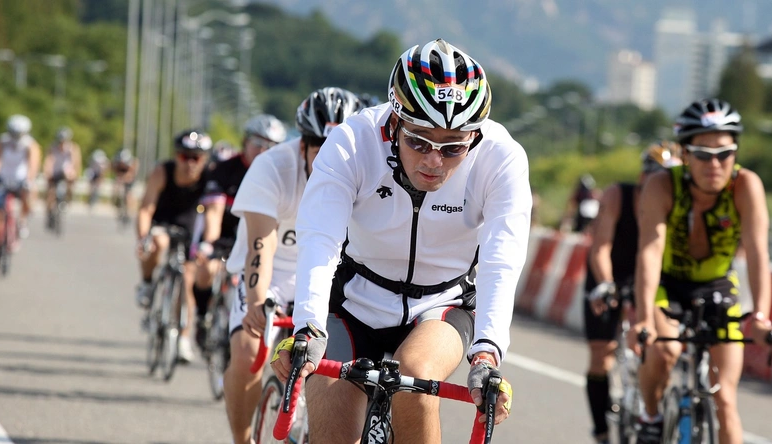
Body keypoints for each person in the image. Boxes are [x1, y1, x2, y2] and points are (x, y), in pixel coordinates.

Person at [269, 39, 529, 442]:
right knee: (333, 419)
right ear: (394, 124)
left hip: (442, 303)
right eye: (418, 141)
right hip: (355, 299)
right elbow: (320, 239)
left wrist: (487, 353)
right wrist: (308, 328)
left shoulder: (501, 157)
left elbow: (501, 260)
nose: (433, 160)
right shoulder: (353, 142)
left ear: (475, 138)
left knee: (416, 376)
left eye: (453, 148)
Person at [628, 99, 772, 444]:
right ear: (685, 154)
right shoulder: (661, 185)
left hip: (716, 286)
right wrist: (642, 319)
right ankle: (651, 416)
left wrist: (761, 317)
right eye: (703, 154)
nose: (714, 164)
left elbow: (758, 253)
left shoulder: (746, 185)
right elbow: (650, 252)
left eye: (724, 154)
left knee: (725, 399)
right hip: (667, 285)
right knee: (665, 351)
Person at [221, 92, 360, 444]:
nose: (332, 160)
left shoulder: (365, 173)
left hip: (329, 276)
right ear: (303, 146)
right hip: (275, 273)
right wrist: (256, 301)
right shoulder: (272, 167)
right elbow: (260, 244)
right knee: (248, 352)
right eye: (322, 150)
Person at [583, 142, 681, 444]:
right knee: (602, 354)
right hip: (608, 273)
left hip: (648, 279)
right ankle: (601, 430)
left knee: (660, 345)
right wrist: (606, 284)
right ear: (642, 177)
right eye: (656, 177)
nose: (662, 186)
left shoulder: (677, 203)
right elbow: (601, 247)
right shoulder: (618, 195)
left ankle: (651, 411)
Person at [191, 113, 287, 349]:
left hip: (258, 237)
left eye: (272, 146)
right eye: (258, 143)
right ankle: (202, 316)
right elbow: (214, 211)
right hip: (224, 234)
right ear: (245, 142)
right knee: (206, 269)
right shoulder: (225, 169)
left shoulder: (280, 175)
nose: (264, 151)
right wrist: (210, 243)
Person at [135, 129, 212, 363]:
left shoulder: (209, 178)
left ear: (204, 159)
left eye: (196, 158)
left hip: (190, 228)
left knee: (187, 280)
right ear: (176, 155)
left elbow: (213, 213)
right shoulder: (162, 172)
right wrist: (143, 237)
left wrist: (208, 243)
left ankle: (183, 338)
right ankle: (147, 283)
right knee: (157, 243)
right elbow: (146, 208)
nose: (190, 163)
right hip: (163, 222)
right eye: (184, 156)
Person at [0, 115, 42, 239]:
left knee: (29, 196)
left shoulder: (30, 144)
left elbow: (33, 164)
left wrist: (29, 180)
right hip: (3, 178)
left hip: (21, 178)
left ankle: (22, 221)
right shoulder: (3, 141)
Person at [43, 127, 82, 216]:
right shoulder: (53, 147)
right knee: (50, 191)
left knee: (70, 184)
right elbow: (49, 160)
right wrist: (47, 172)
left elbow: (76, 161)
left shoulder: (73, 148)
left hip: (67, 172)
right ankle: (49, 210)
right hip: (55, 171)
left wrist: (75, 173)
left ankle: (67, 201)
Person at [111, 148, 140, 213]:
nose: (122, 163)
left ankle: (129, 209)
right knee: (116, 186)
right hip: (122, 174)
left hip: (131, 176)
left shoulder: (132, 163)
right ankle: (116, 202)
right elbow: (115, 171)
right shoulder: (116, 162)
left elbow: (131, 173)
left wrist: (125, 178)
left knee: (128, 194)